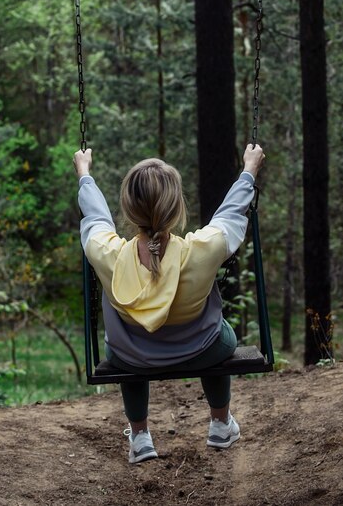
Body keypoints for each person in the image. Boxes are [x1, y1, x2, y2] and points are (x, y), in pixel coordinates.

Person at [74, 144, 265, 464]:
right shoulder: (202, 249)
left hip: (132, 357)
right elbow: (230, 214)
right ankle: (220, 424)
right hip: (202, 350)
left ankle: (140, 437)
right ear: (177, 207)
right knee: (222, 334)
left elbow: (96, 218)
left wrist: (84, 174)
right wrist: (249, 170)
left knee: (122, 348)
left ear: (128, 209)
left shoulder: (108, 254)